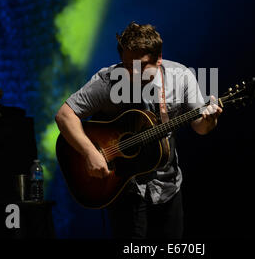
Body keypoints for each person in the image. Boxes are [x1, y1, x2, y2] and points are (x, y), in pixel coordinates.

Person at [55, 22, 222, 239]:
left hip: (168, 186)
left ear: (158, 58)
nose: (133, 73)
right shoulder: (108, 80)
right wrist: (90, 152)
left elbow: (200, 127)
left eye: (142, 66)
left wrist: (210, 121)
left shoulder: (180, 77)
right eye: (128, 65)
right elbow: (64, 115)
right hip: (124, 188)